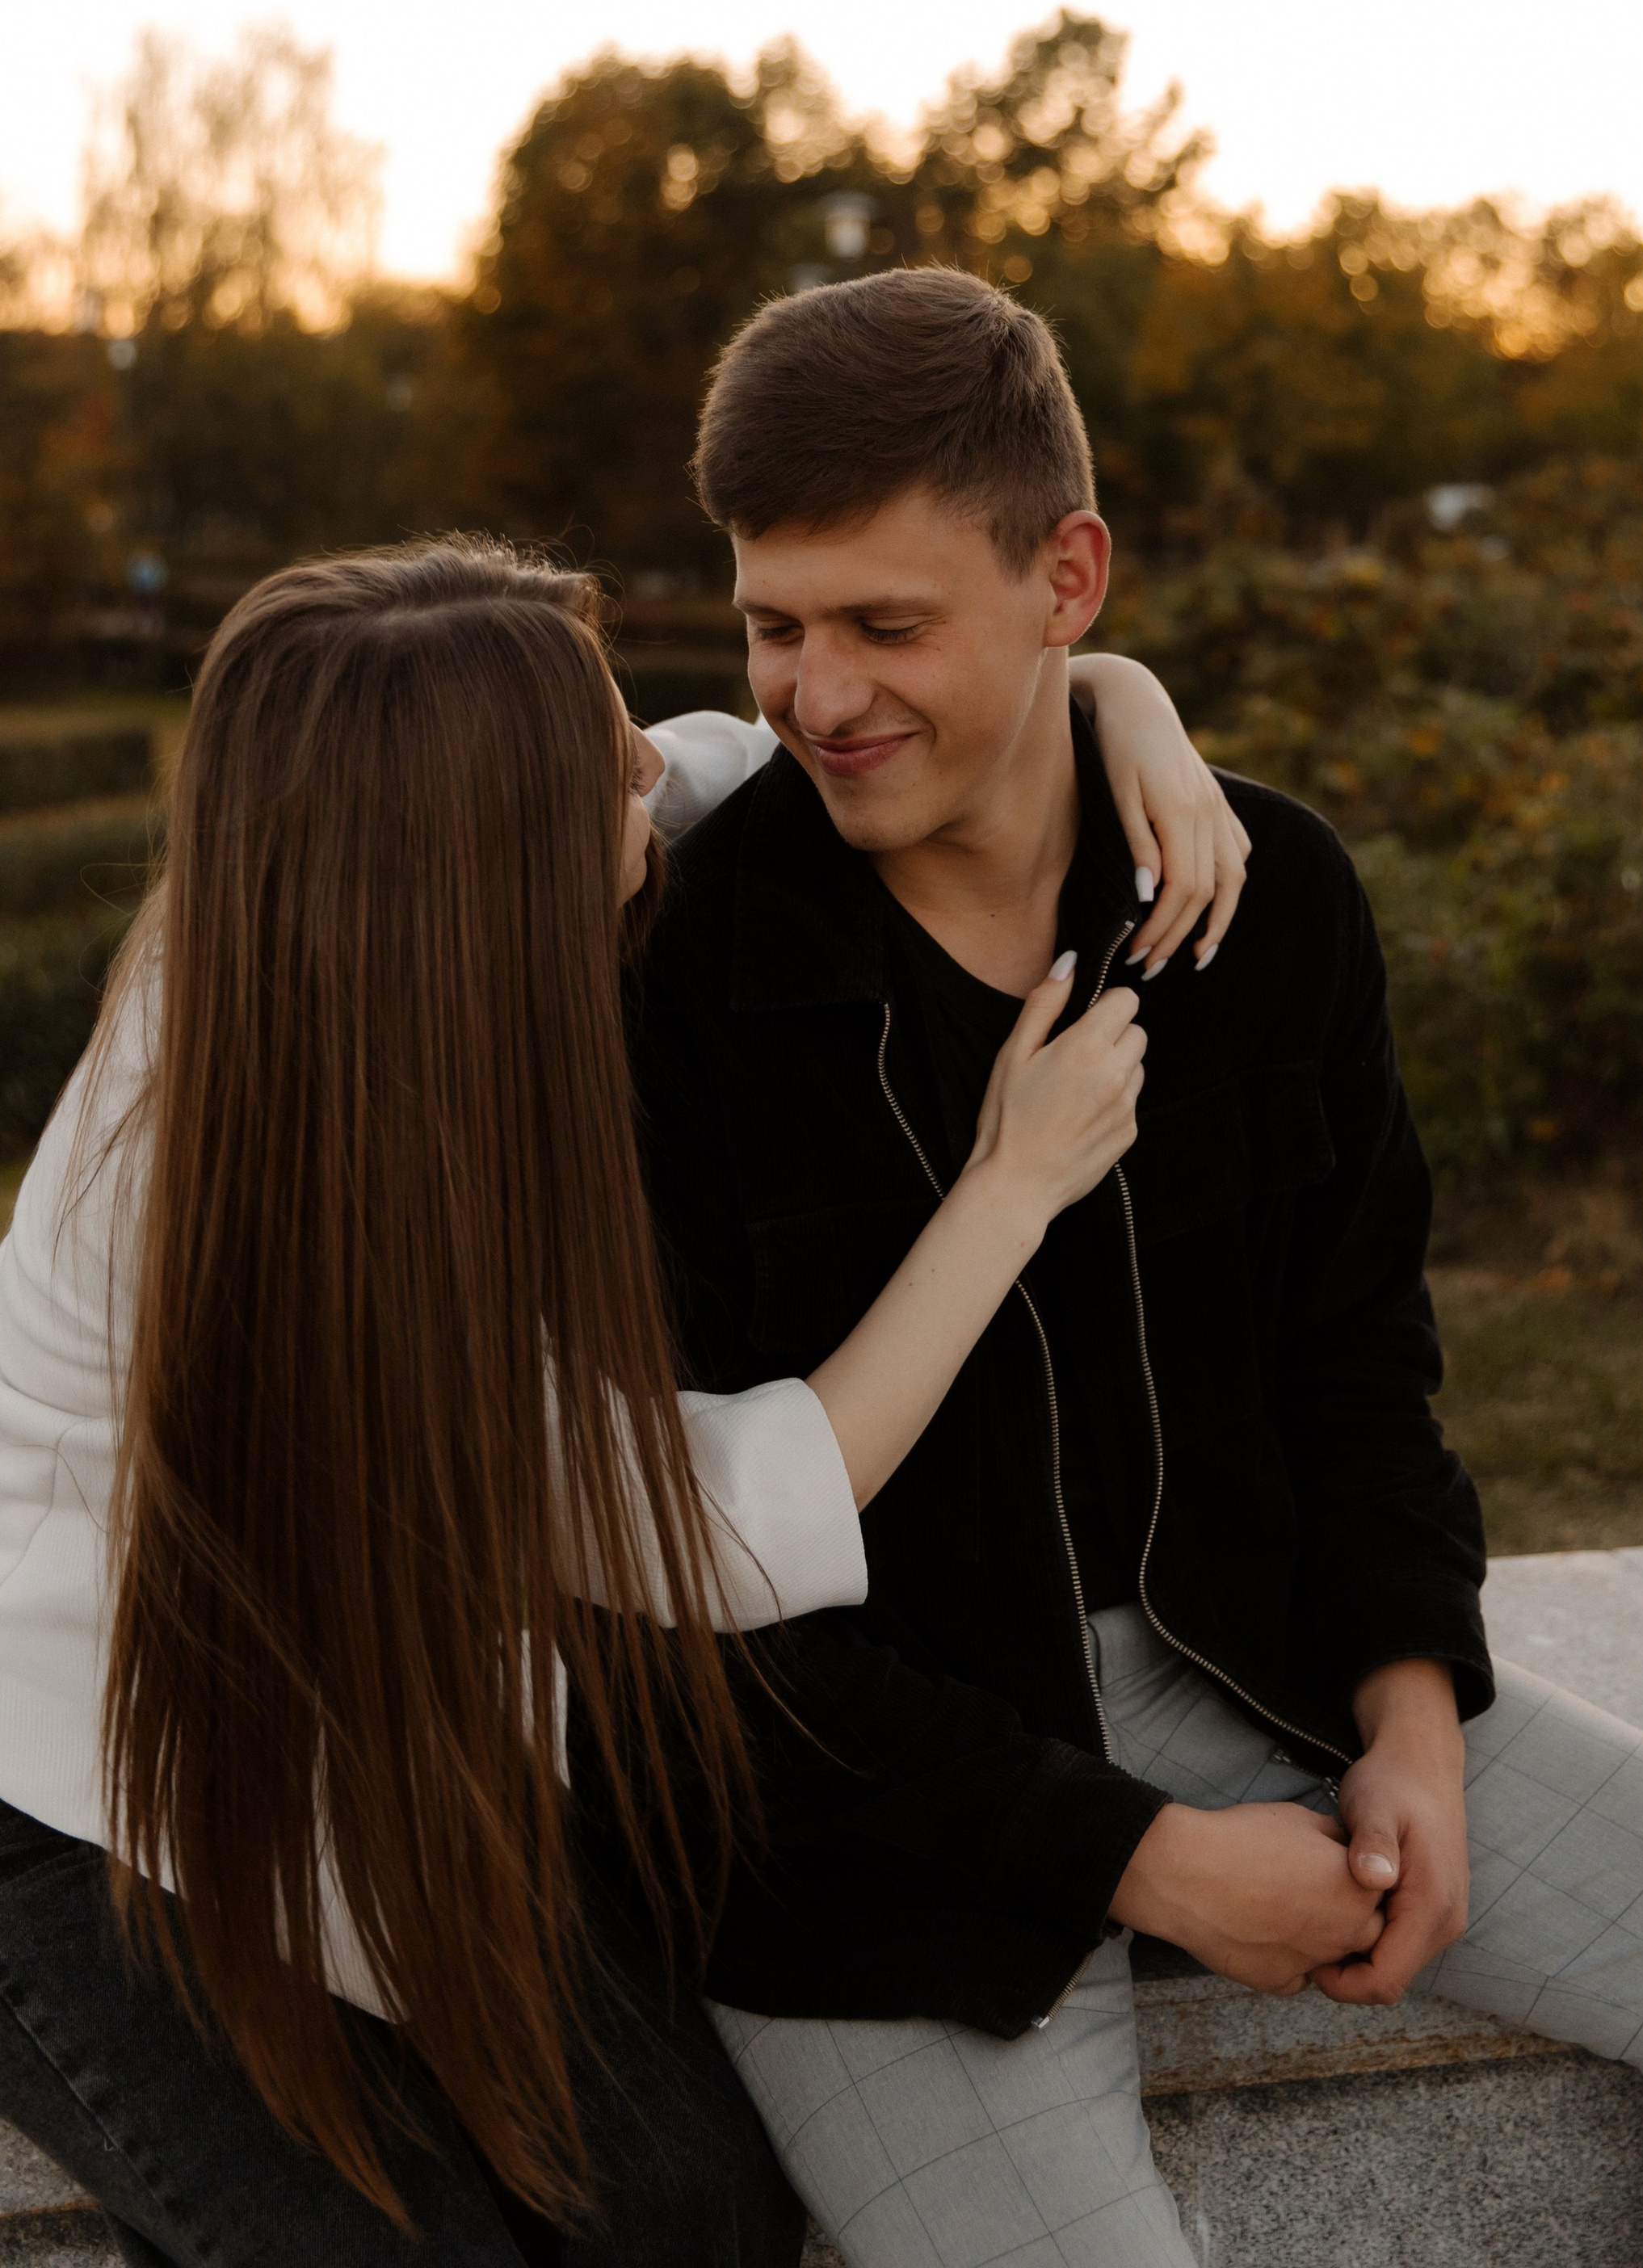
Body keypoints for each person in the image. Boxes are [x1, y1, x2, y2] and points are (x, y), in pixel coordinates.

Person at [626, 264, 1643, 2268]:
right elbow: (701, 1616)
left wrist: (1410, 1705)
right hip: (860, 1822)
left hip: (1254, 1663)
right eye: (772, 625)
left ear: (1068, 581)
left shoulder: (1271, 901)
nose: (818, 694)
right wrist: (1140, 1862)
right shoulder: (680, 973)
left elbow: (1356, 1357)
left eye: (889, 625)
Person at [0, 540, 1366, 2266]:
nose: (651, 764)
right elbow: (714, 1530)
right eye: (607, 762)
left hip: (397, 1736)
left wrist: (1107, 695)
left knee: (687, 2203)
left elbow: (759, 750)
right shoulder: (290, 1174)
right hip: (94, 1793)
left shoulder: (366, 905)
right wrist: (1010, 1190)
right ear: (482, 854)